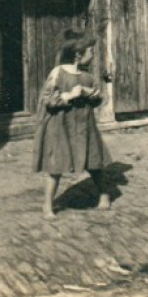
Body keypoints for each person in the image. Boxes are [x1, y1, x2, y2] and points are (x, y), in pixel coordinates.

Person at [34, 29, 111, 218]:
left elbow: (99, 99)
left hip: (84, 126)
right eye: (91, 51)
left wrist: (89, 92)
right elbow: (47, 99)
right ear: (78, 54)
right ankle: (48, 205)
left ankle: (104, 195)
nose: (93, 55)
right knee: (56, 165)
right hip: (61, 126)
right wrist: (69, 95)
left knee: (94, 161)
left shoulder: (87, 77)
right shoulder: (57, 73)